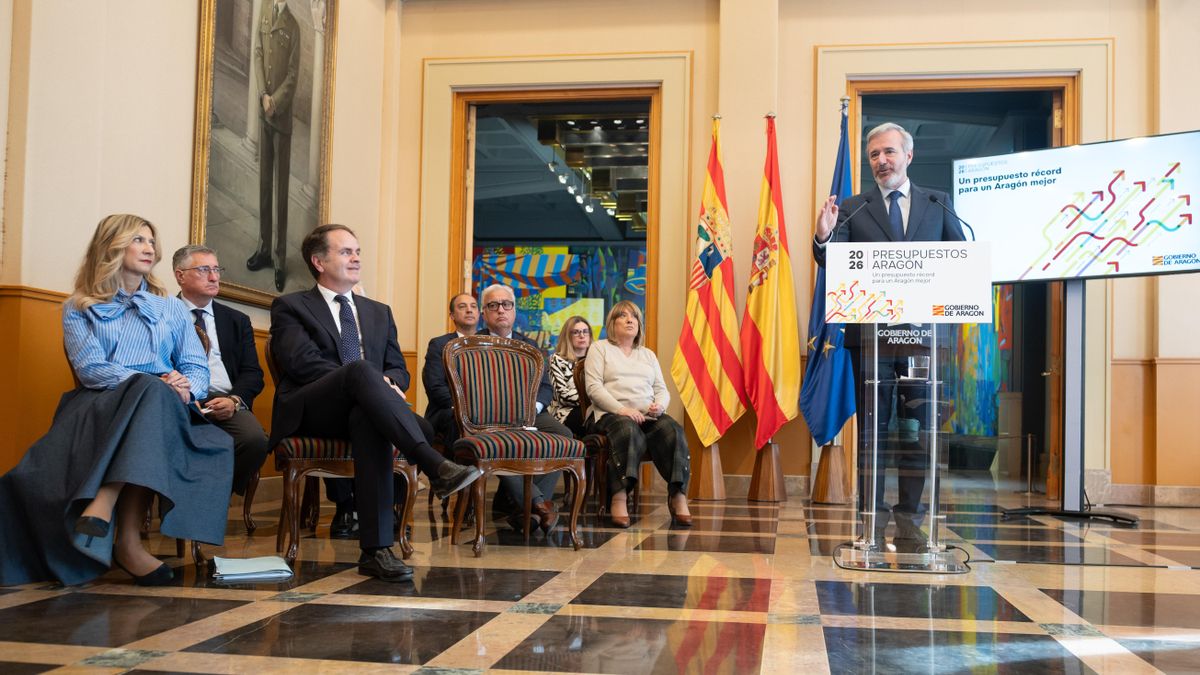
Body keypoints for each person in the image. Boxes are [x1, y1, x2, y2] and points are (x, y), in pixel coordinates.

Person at [0, 214, 233, 587]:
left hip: (166, 405)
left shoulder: (171, 308)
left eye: (151, 241)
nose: (149, 248)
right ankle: (126, 543)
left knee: (155, 398)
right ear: (111, 246)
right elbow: (91, 369)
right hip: (99, 404)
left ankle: (106, 507)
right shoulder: (79, 306)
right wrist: (153, 381)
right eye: (138, 239)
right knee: (151, 393)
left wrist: (186, 386)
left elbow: (195, 366)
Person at [269, 224, 481, 581]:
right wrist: (364, 380)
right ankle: (434, 464)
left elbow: (398, 367)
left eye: (357, 252)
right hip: (314, 409)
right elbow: (301, 363)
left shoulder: (378, 311)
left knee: (370, 418)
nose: (356, 258)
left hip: (365, 411)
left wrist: (388, 384)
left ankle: (376, 550)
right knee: (360, 373)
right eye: (345, 252)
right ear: (318, 262)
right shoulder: (291, 306)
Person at [812, 121, 965, 550]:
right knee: (873, 436)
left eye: (889, 152)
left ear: (908, 155)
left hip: (922, 342)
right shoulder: (853, 207)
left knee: (918, 434)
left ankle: (910, 522)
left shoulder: (937, 203)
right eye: (874, 155)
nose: (881, 160)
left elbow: (959, 261)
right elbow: (832, 262)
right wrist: (824, 235)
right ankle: (872, 523)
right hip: (872, 343)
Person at [584, 300, 691, 529]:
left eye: (634, 316)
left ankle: (678, 494)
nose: (629, 320)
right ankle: (619, 496)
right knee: (628, 430)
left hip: (646, 415)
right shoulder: (600, 348)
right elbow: (594, 388)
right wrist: (622, 410)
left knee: (673, 430)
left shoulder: (648, 355)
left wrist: (659, 406)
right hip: (610, 414)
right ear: (612, 323)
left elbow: (661, 390)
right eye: (622, 316)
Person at [173, 245, 269, 497]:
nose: (214, 277)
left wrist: (234, 400)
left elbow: (252, 373)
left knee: (254, 440)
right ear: (180, 276)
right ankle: (190, 501)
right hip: (179, 400)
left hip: (224, 400)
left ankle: (213, 498)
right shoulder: (163, 314)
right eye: (204, 270)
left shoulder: (236, 320)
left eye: (217, 270)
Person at [476, 283, 571, 533]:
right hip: (489, 418)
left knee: (564, 435)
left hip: (529, 413)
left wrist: (532, 409)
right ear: (484, 313)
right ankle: (539, 505)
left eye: (506, 304)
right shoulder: (472, 346)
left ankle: (524, 509)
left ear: (514, 311)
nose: (501, 310)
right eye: (493, 305)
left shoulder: (530, 346)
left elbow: (546, 387)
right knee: (503, 441)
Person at [248, 0, 301, 292]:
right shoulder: (265, 11)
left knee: (280, 190)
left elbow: (293, 74)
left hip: (280, 117)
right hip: (264, 110)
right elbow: (258, 53)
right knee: (264, 185)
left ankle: (280, 260)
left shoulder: (293, 26)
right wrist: (263, 94)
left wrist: (275, 101)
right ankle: (264, 249)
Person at [422, 292, 479, 447]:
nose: (469, 310)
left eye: (473, 306)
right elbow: (435, 386)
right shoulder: (439, 345)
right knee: (459, 418)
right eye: (462, 306)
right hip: (447, 409)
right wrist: (465, 409)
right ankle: (458, 462)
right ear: (452, 315)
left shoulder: (488, 345)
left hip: (483, 411)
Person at [547, 315, 593, 437]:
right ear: (567, 336)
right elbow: (563, 396)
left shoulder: (597, 360)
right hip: (566, 412)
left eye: (585, 331)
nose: (582, 335)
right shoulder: (556, 360)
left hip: (594, 408)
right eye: (576, 332)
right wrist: (597, 398)